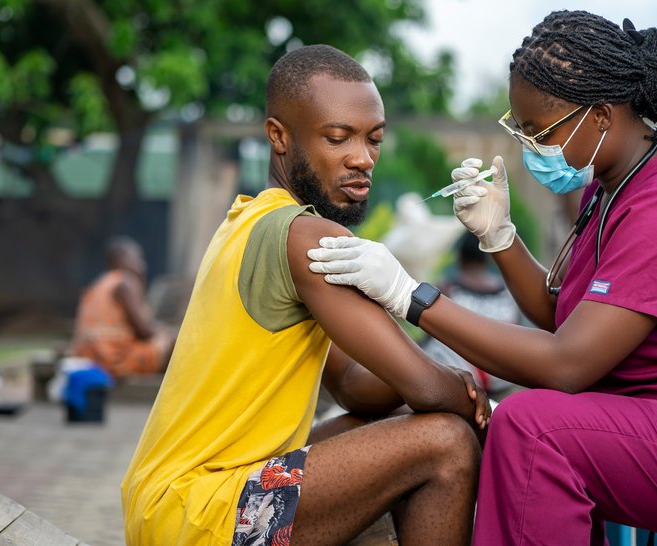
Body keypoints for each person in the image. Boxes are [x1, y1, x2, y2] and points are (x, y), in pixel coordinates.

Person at [307, 10, 657, 544]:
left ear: (601, 117)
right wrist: (501, 237)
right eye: (520, 131)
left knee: (535, 428)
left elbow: (568, 363)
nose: (529, 147)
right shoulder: (614, 184)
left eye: (538, 131)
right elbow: (564, 314)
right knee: (531, 425)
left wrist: (411, 295)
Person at [121, 44, 489, 546]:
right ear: (279, 136)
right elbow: (428, 389)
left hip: (164, 506)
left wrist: (433, 381)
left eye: (374, 139)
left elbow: (357, 387)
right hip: (205, 516)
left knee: (403, 422)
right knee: (445, 443)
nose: (362, 159)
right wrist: (465, 394)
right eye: (338, 138)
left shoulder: (249, 218)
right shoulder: (308, 236)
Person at [422, 231, 521, 398]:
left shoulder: (447, 289)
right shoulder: (508, 295)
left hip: (458, 378)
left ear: (459, 257)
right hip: (503, 380)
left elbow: (428, 331)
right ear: (486, 258)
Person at [68, 236, 174, 380]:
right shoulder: (124, 282)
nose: (142, 263)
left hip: (90, 358)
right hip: (113, 361)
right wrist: (166, 332)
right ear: (119, 260)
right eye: (136, 257)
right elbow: (144, 331)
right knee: (175, 342)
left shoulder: (100, 283)